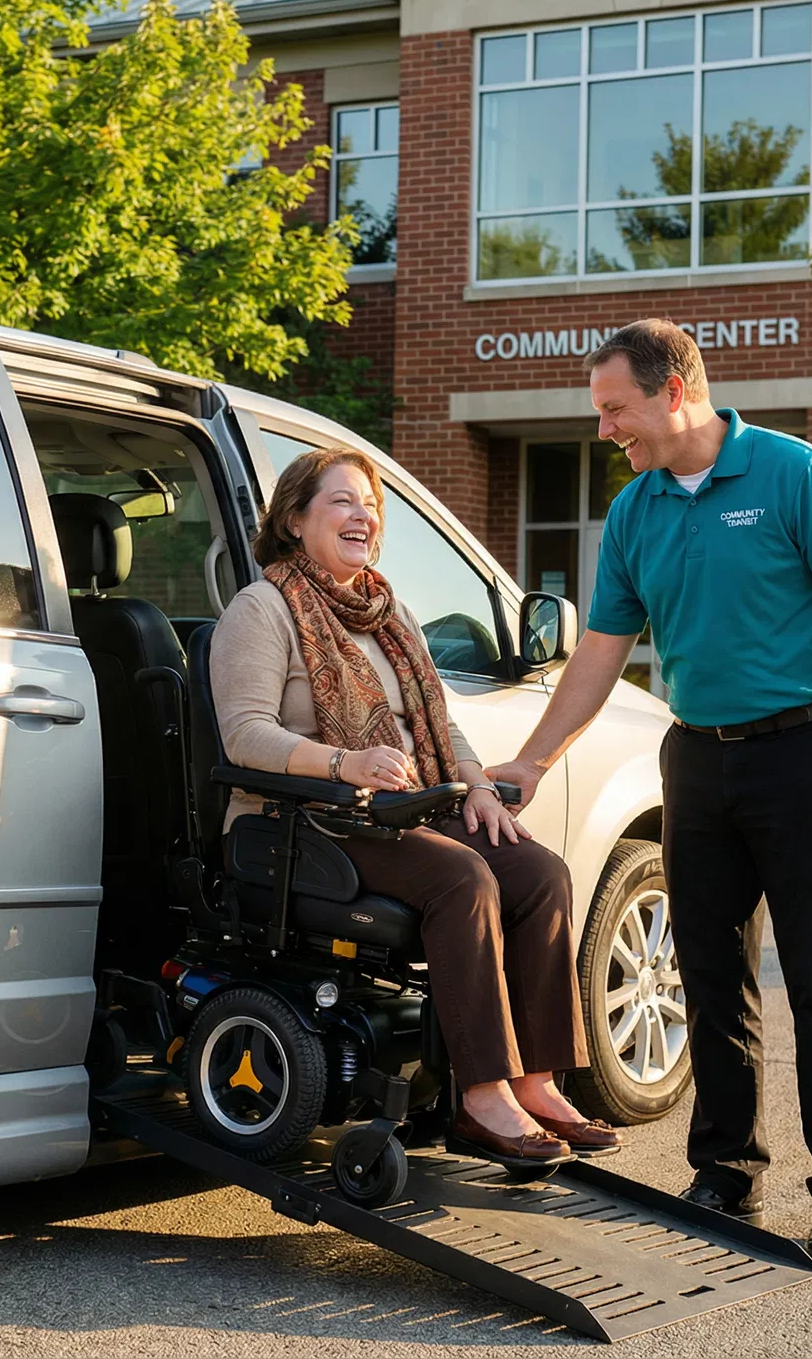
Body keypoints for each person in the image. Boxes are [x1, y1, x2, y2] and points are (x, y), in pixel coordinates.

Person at [488, 319, 812, 1261]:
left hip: (802, 757)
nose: (604, 430)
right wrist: (534, 761)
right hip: (695, 761)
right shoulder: (635, 511)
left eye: (615, 408)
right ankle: (726, 1170)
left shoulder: (797, 474)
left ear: (675, 392)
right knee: (707, 976)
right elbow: (598, 657)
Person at [209, 444, 619, 1164]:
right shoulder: (262, 607)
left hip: (402, 809)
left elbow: (440, 723)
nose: (363, 515)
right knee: (463, 879)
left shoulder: (386, 609)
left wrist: (480, 788)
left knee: (539, 872)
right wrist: (346, 763)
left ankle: (537, 1080)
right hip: (305, 820)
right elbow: (245, 738)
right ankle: (480, 1097)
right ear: (295, 520)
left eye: (371, 505)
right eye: (342, 501)